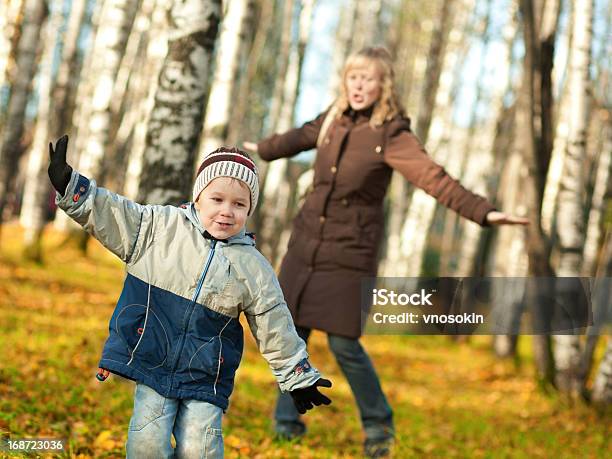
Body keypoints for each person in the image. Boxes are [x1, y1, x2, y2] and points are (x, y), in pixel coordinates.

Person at [243, 46, 528, 458]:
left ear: (384, 85)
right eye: (353, 77)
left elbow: (434, 177)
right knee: (292, 335)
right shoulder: (333, 118)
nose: (359, 85)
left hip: (349, 254)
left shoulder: (391, 134)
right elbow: (299, 136)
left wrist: (483, 212)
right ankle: (287, 423)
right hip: (305, 246)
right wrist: (262, 147)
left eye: (368, 78)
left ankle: (379, 428)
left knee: (343, 344)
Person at [48, 136, 332, 459]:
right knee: (146, 444)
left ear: (249, 209)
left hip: (205, 376)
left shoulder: (253, 268)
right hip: (153, 358)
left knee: (202, 448)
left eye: (239, 204)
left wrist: (298, 375)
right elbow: (113, 214)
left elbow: (274, 321)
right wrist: (71, 187)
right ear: (198, 197)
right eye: (217, 199)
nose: (227, 212)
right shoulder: (158, 227)